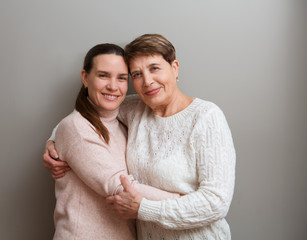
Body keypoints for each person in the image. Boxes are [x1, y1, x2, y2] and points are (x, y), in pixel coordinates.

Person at [45, 34, 236, 240]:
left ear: (174, 68)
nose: (147, 81)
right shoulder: (136, 110)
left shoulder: (207, 117)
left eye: (154, 68)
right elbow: (88, 117)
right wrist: (55, 141)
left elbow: (216, 203)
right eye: (136, 74)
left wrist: (145, 209)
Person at [50, 43, 180, 240]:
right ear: (85, 78)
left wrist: (53, 138)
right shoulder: (75, 127)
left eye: (121, 78)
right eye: (103, 75)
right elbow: (119, 186)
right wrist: (185, 203)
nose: (113, 86)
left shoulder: (123, 122)